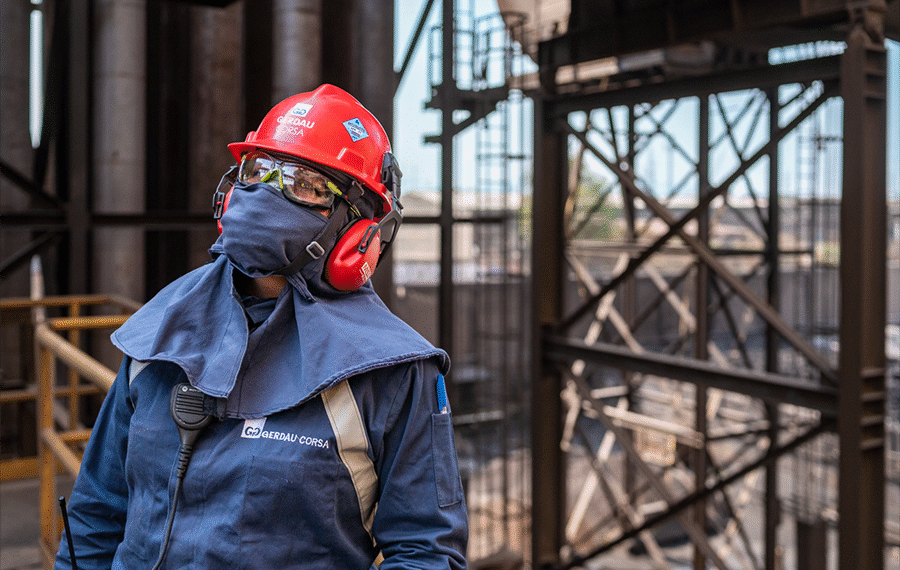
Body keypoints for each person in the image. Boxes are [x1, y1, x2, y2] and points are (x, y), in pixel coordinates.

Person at [54, 84, 468, 570]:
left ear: (358, 234)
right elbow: (96, 516)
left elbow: (425, 554)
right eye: (257, 171)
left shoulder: (394, 373)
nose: (267, 192)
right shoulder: (162, 332)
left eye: (306, 184)